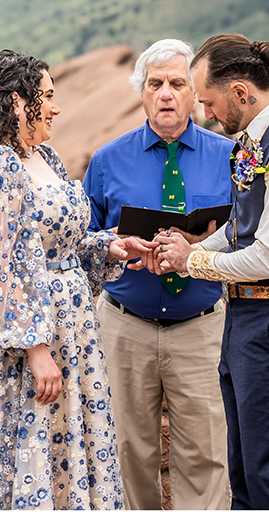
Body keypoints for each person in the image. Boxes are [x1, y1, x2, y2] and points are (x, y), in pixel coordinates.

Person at [0, 49, 154, 510]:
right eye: (46, 96)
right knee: (29, 444)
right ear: (16, 102)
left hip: (72, 333)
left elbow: (60, 246)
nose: (56, 106)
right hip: (29, 341)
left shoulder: (44, 156)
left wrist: (106, 245)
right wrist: (35, 346)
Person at [150, 34, 269, 510]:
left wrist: (194, 263)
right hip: (245, 316)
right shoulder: (254, 142)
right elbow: (239, 228)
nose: (206, 113)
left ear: (239, 92)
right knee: (243, 470)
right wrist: (185, 247)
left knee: (266, 470)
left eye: (208, 101)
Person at [82, 39, 234, 510]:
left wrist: (200, 247)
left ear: (194, 93)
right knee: (126, 452)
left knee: (207, 454)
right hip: (124, 327)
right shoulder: (107, 161)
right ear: (142, 93)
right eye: (155, 84)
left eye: (177, 83)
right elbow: (81, 243)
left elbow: (250, 234)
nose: (166, 93)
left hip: (202, 327)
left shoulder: (230, 157)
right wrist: (118, 245)